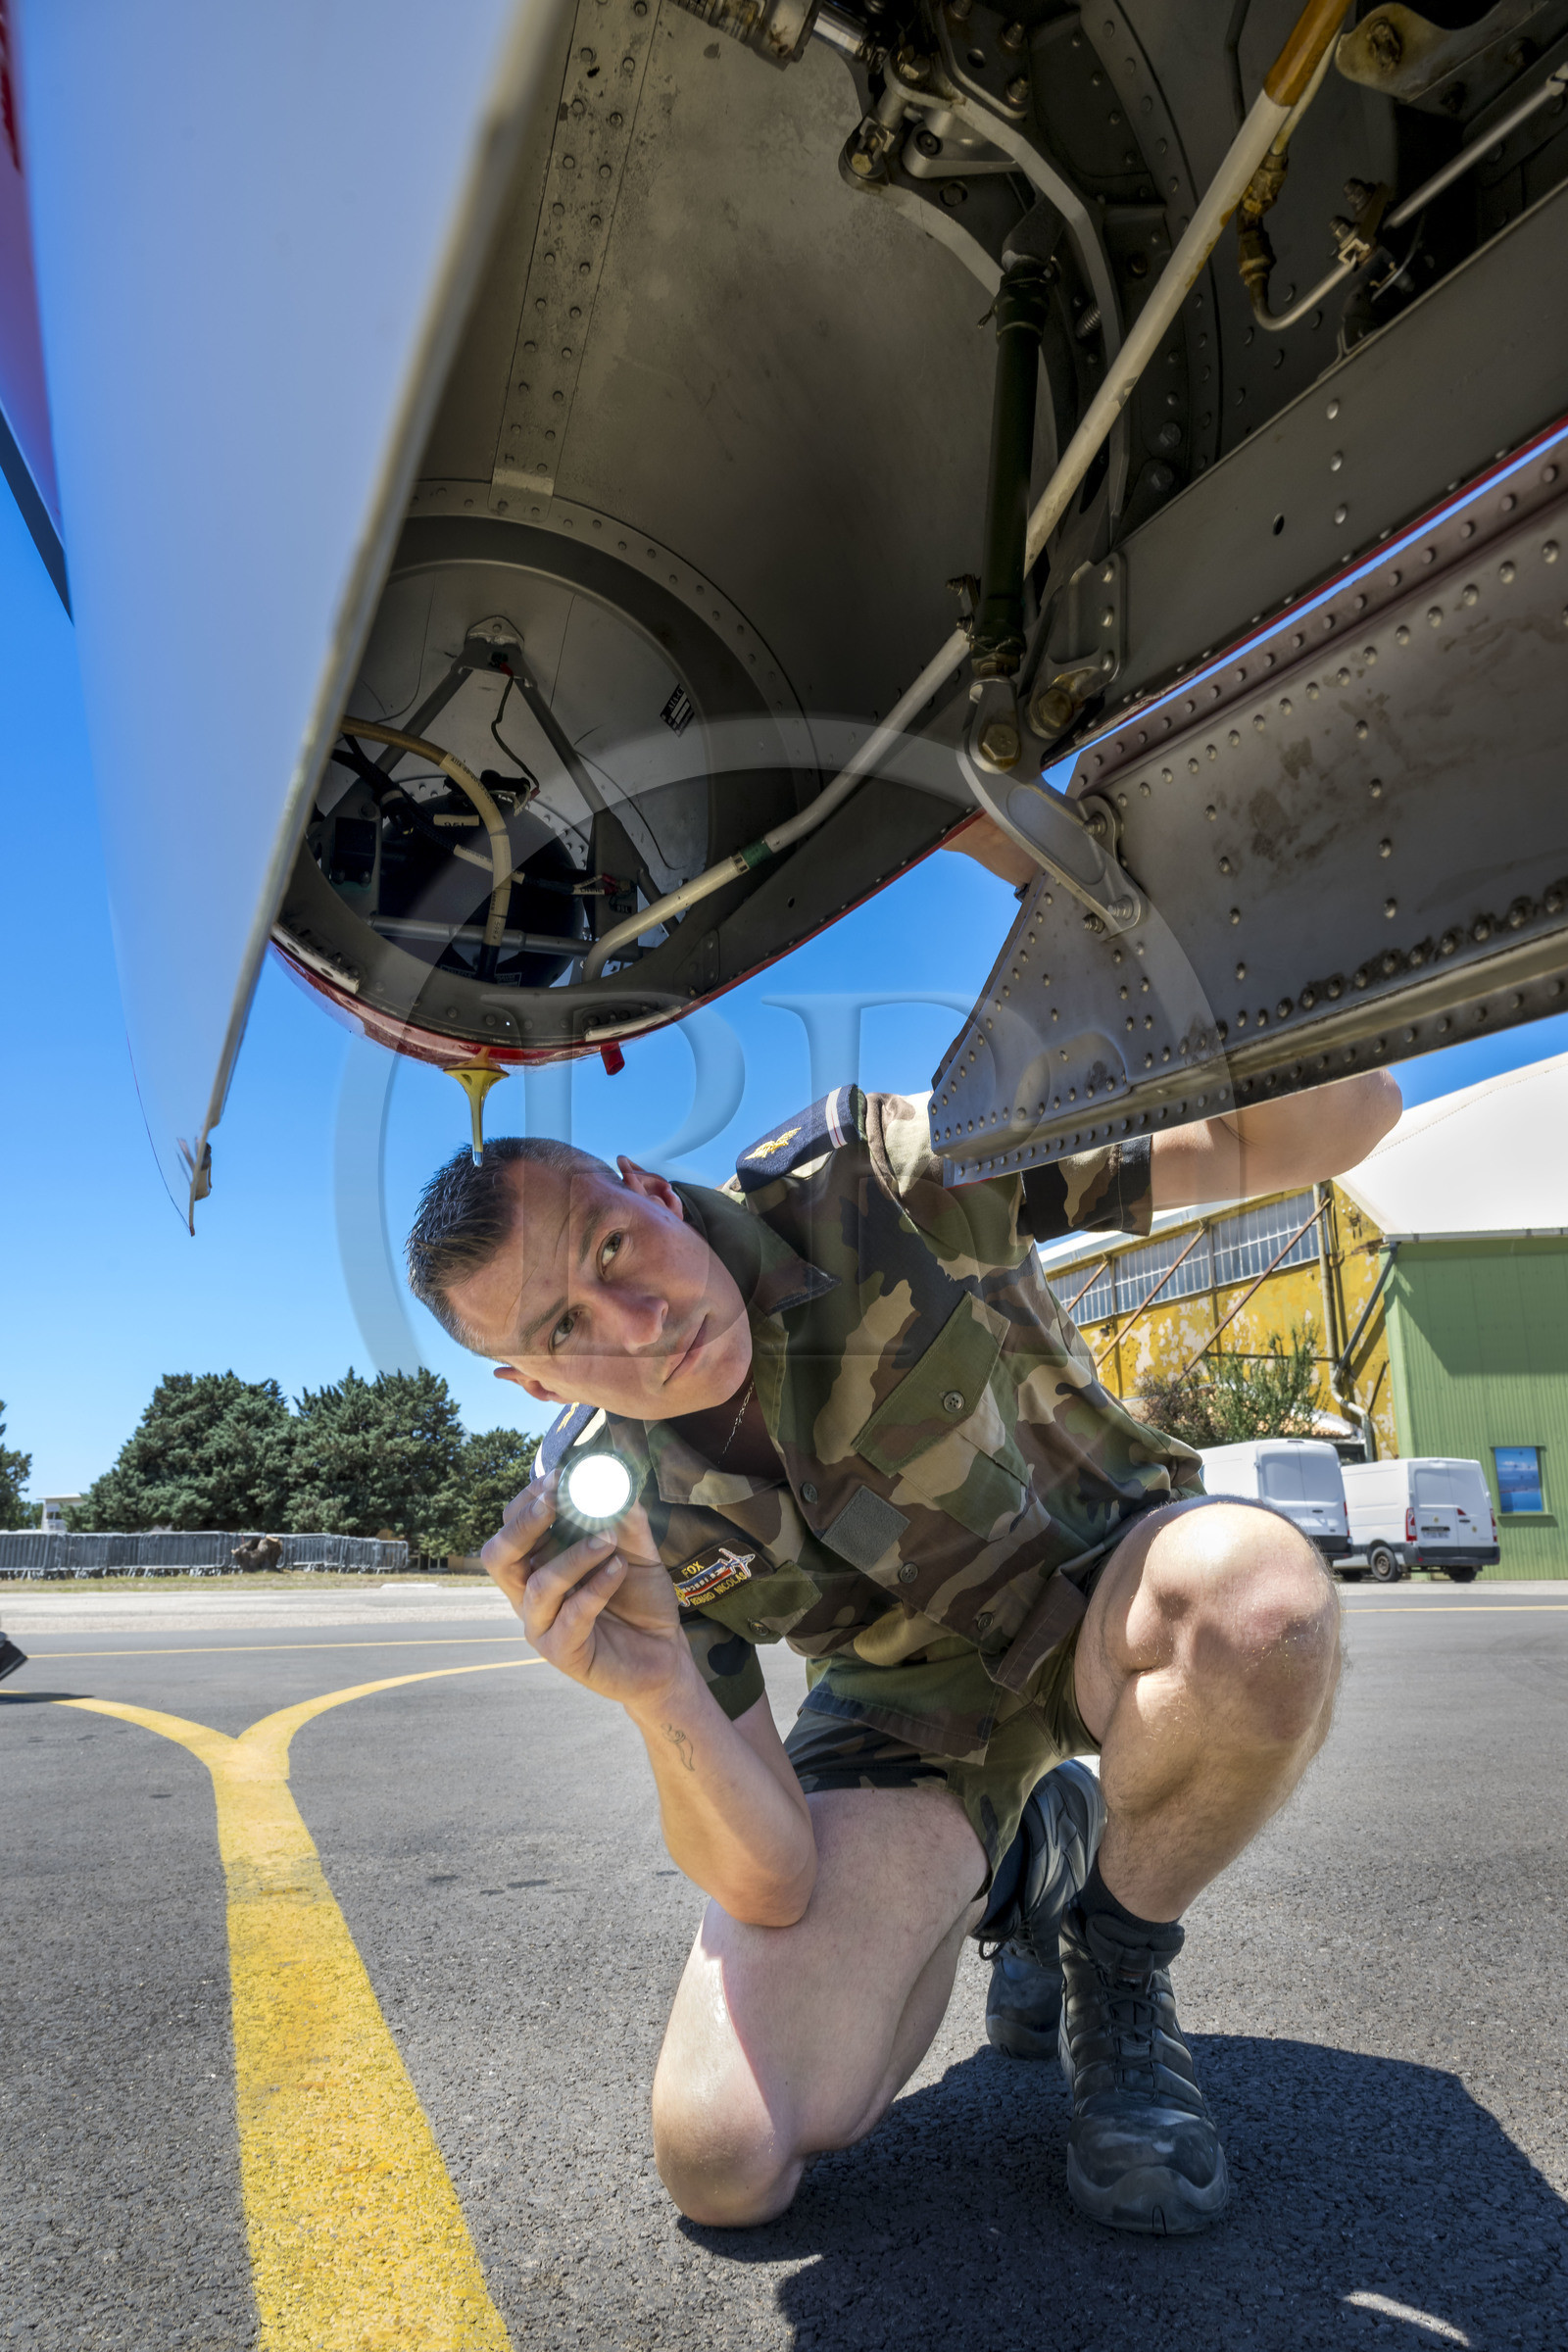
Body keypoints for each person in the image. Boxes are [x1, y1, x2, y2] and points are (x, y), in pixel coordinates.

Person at [404, 916, 1398, 2237]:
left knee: (1259, 1605)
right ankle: (1020, 1868)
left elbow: (1338, 1122)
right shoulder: (620, 1513)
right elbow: (766, 1879)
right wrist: (662, 1701)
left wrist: (1124, 902)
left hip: (1119, 1585)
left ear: (642, 1183)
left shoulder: (883, 1181)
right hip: (910, 1717)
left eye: (607, 1250)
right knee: (727, 2158)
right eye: (567, 1331)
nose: (641, 1325)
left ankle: (1117, 1956)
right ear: (526, 1384)